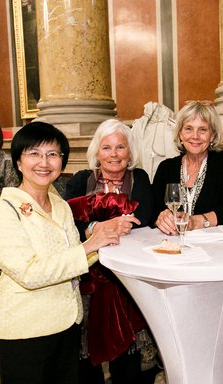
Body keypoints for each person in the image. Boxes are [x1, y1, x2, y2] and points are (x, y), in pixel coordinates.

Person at [0, 122, 120, 384]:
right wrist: (90, 245)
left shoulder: (60, 205)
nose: (44, 162)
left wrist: (106, 243)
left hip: (66, 324)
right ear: (18, 163)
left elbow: (72, 259)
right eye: (34, 153)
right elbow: (30, 273)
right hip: (25, 331)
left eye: (53, 154)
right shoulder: (0, 209)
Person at [63, 119, 157, 384]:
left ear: (130, 152)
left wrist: (119, 223)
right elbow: (69, 221)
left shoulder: (140, 179)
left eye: (120, 147)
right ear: (96, 152)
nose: (114, 155)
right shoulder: (82, 180)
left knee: (128, 357)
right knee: (86, 353)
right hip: (88, 278)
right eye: (106, 148)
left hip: (125, 277)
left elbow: (146, 216)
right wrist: (97, 226)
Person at [152, 100, 223, 233]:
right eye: (188, 129)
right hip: (173, 242)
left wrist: (197, 221)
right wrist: (160, 217)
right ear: (180, 134)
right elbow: (153, 209)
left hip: (215, 244)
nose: (195, 136)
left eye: (202, 130)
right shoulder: (166, 167)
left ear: (212, 136)